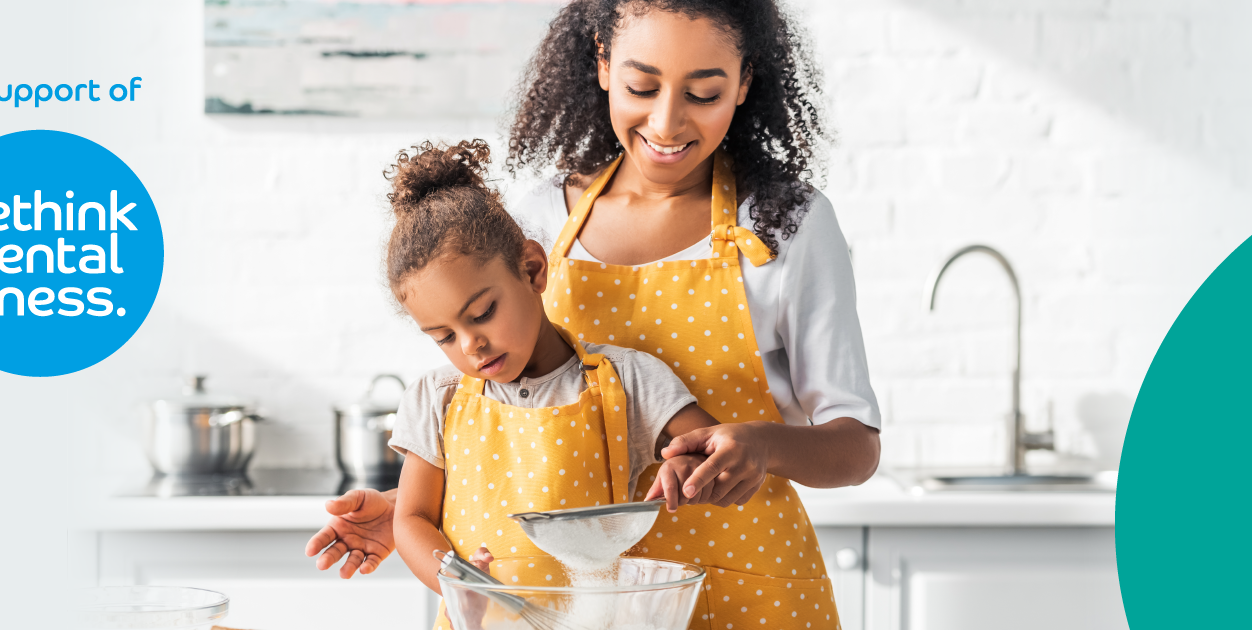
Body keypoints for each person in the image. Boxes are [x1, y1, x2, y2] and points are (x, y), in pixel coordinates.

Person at [307, 1, 878, 627]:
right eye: (641, 86)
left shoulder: (785, 224)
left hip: (746, 593)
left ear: (744, 82)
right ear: (603, 63)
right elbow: (517, 422)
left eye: (704, 93)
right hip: (576, 608)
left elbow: (856, 449)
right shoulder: (543, 220)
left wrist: (763, 446)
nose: (666, 122)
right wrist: (416, 513)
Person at [371, 139, 732, 627]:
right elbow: (410, 519)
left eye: (482, 314)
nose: (470, 345)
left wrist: (688, 466)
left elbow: (715, 452)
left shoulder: (625, 380)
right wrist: (457, 581)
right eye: (444, 337)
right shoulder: (438, 398)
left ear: (532, 269)